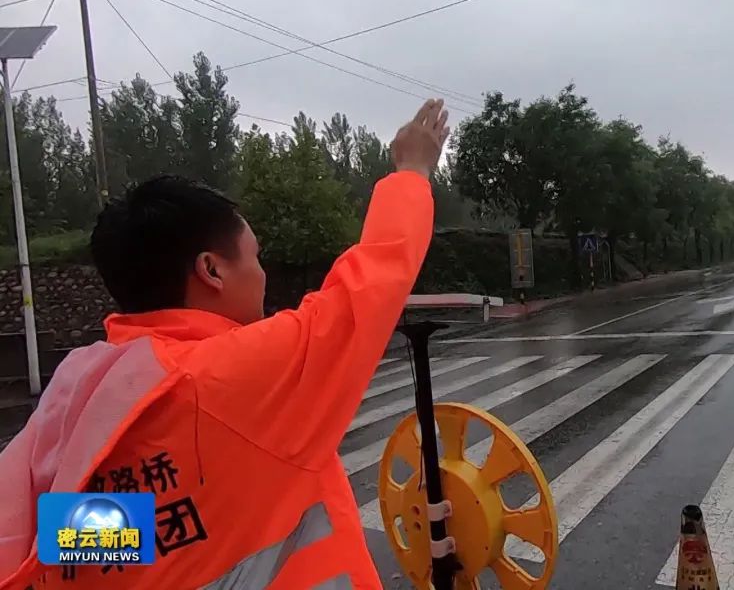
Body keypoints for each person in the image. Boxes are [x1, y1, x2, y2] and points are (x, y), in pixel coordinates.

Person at [0, 99, 450, 589]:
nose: (263, 273)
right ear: (211, 270)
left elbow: (104, 536)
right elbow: (369, 286)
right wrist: (412, 171)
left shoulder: (77, 391)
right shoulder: (229, 375)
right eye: (255, 256)